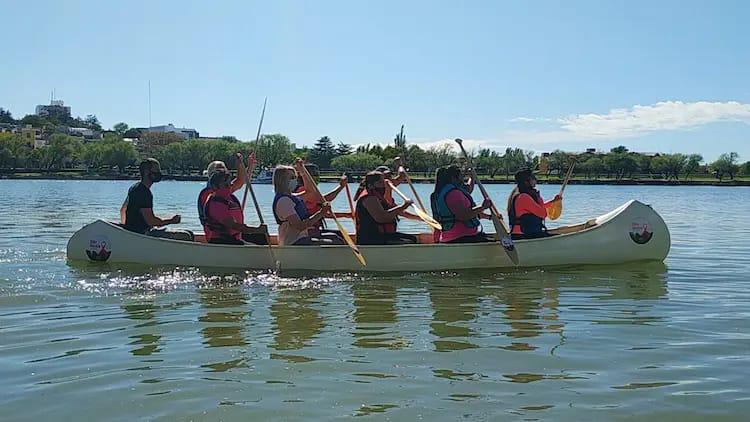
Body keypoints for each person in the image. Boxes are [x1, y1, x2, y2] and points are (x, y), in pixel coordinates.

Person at [120, 158, 193, 241]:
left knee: (189, 232)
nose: (159, 173)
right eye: (156, 170)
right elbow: (152, 221)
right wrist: (171, 221)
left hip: (139, 232)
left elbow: (123, 210)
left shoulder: (134, 187)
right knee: (186, 236)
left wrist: (126, 229)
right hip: (143, 234)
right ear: (147, 172)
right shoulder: (143, 192)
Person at [272, 164, 344, 246]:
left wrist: (303, 171)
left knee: (335, 237)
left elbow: (310, 191)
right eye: (292, 178)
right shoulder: (283, 201)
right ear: (282, 180)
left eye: (295, 177)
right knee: (334, 242)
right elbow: (300, 226)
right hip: (293, 242)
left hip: (302, 238)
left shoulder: (294, 197)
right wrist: (321, 213)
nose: (295, 180)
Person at [202, 169, 268, 245]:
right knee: (255, 241)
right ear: (215, 187)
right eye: (225, 185)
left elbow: (240, 181)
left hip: (234, 237)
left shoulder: (229, 198)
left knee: (261, 237)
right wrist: (257, 230)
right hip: (222, 240)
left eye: (230, 184)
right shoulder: (216, 204)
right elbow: (234, 226)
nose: (229, 187)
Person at [430, 165, 493, 243]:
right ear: (453, 178)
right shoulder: (453, 193)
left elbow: (468, 188)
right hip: (462, 238)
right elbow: (463, 216)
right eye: (461, 177)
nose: (463, 180)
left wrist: (472, 177)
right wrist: (483, 207)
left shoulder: (438, 193)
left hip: (449, 237)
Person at [355, 171, 418, 245]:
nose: (384, 185)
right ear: (370, 185)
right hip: (370, 238)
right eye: (380, 182)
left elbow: (392, 210)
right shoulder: (369, 198)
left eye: (383, 181)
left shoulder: (378, 196)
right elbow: (382, 218)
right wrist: (403, 206)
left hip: (381, 235)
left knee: (412, 238)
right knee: (409, 241)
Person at [198, 153, 250, 231]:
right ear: (211, 174)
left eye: (224, 170)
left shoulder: (224, 189)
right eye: (219, 170)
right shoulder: (209, 194)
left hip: (233, 233)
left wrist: (242, 164)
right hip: (220, 235)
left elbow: (240, 181)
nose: (223, 172)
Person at [506, 168, 560, 240]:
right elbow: (543, 213)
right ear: (526, 182)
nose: (535, 180)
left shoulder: (520, 194)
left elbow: (536, 208)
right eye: (533, 178)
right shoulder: (524, 197)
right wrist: (538, 198)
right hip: (523, 235)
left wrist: (553, 202)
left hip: (527, 233)